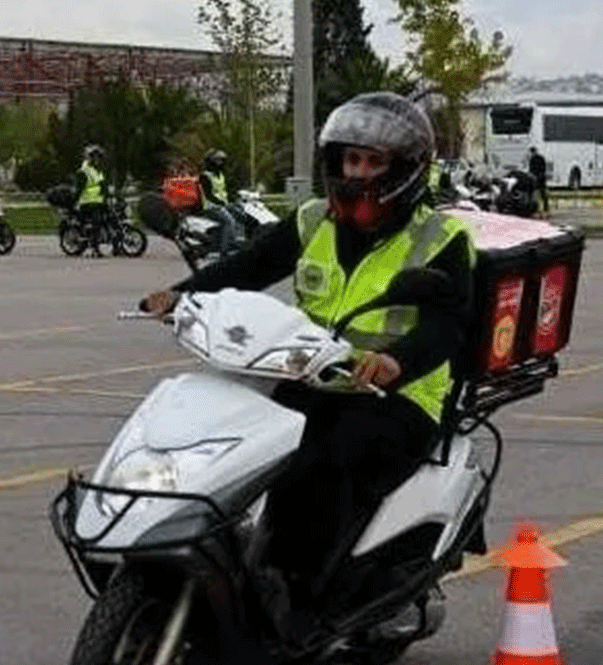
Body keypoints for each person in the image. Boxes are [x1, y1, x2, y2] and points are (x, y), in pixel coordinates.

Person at [137, 92, 476, 627]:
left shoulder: (441, 237)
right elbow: (249, 265)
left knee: (320, 463)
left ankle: (302, 598)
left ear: (406, 171)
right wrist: (181, 294)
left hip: (398, 395)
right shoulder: (316, 219)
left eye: (373, 162)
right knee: (231, 440)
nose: (358, 173)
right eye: (351, 159)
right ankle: (233, 569)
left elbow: (448, 326)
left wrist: (397, 360)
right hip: (310, 373)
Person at [197, 149, 244, 259]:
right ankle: (224, 251)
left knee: (241, 214)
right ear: (211, 162)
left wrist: (236, 199)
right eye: (217, 161)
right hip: (211, 207)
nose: (220, 163)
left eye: (222, 161)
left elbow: (226, 191)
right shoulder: (205, 176)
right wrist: (222, 203)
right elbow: (208, 195)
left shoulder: (221, 175)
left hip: (222, 205)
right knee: (229, 221)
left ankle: (235, 241)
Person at [73, 144, 111, 251]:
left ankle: (115, 245)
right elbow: (80, 188)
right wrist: (76, 201)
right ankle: (95, 247)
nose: (97, 159)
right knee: (96, 222)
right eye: (94, 156)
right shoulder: (84, 171)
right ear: (89, 157)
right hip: (88, 201)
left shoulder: (97, 169)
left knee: (110, 219)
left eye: (99, 157)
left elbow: (103, 184)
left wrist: (109, 194)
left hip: (99, 201)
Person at [528, 147, 550, 213]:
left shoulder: (535, 159)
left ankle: (544, 206)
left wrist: (534, 175)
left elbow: (535, 169)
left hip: (539, 178)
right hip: (539, 178)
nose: (532, 154)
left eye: (532, 152)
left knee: (541, 193)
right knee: (540, 193)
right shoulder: (538, 158)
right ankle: (543, 206)